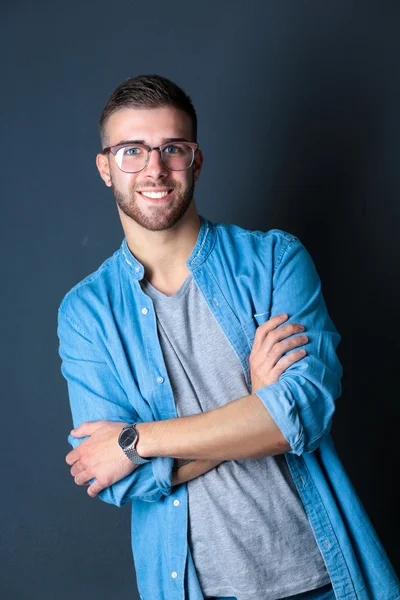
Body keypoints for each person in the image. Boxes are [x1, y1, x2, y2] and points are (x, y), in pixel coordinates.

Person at [57, 74, 399, 600]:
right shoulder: (86, 314)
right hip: (197, 590)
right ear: (105, 167)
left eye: (172, 148)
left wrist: (138, 439)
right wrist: (256, 406)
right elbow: (123, 480)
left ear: (195, 160)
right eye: (132, 150)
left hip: (324, 580)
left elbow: (301, 414)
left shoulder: (274, 261)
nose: (154, 168)